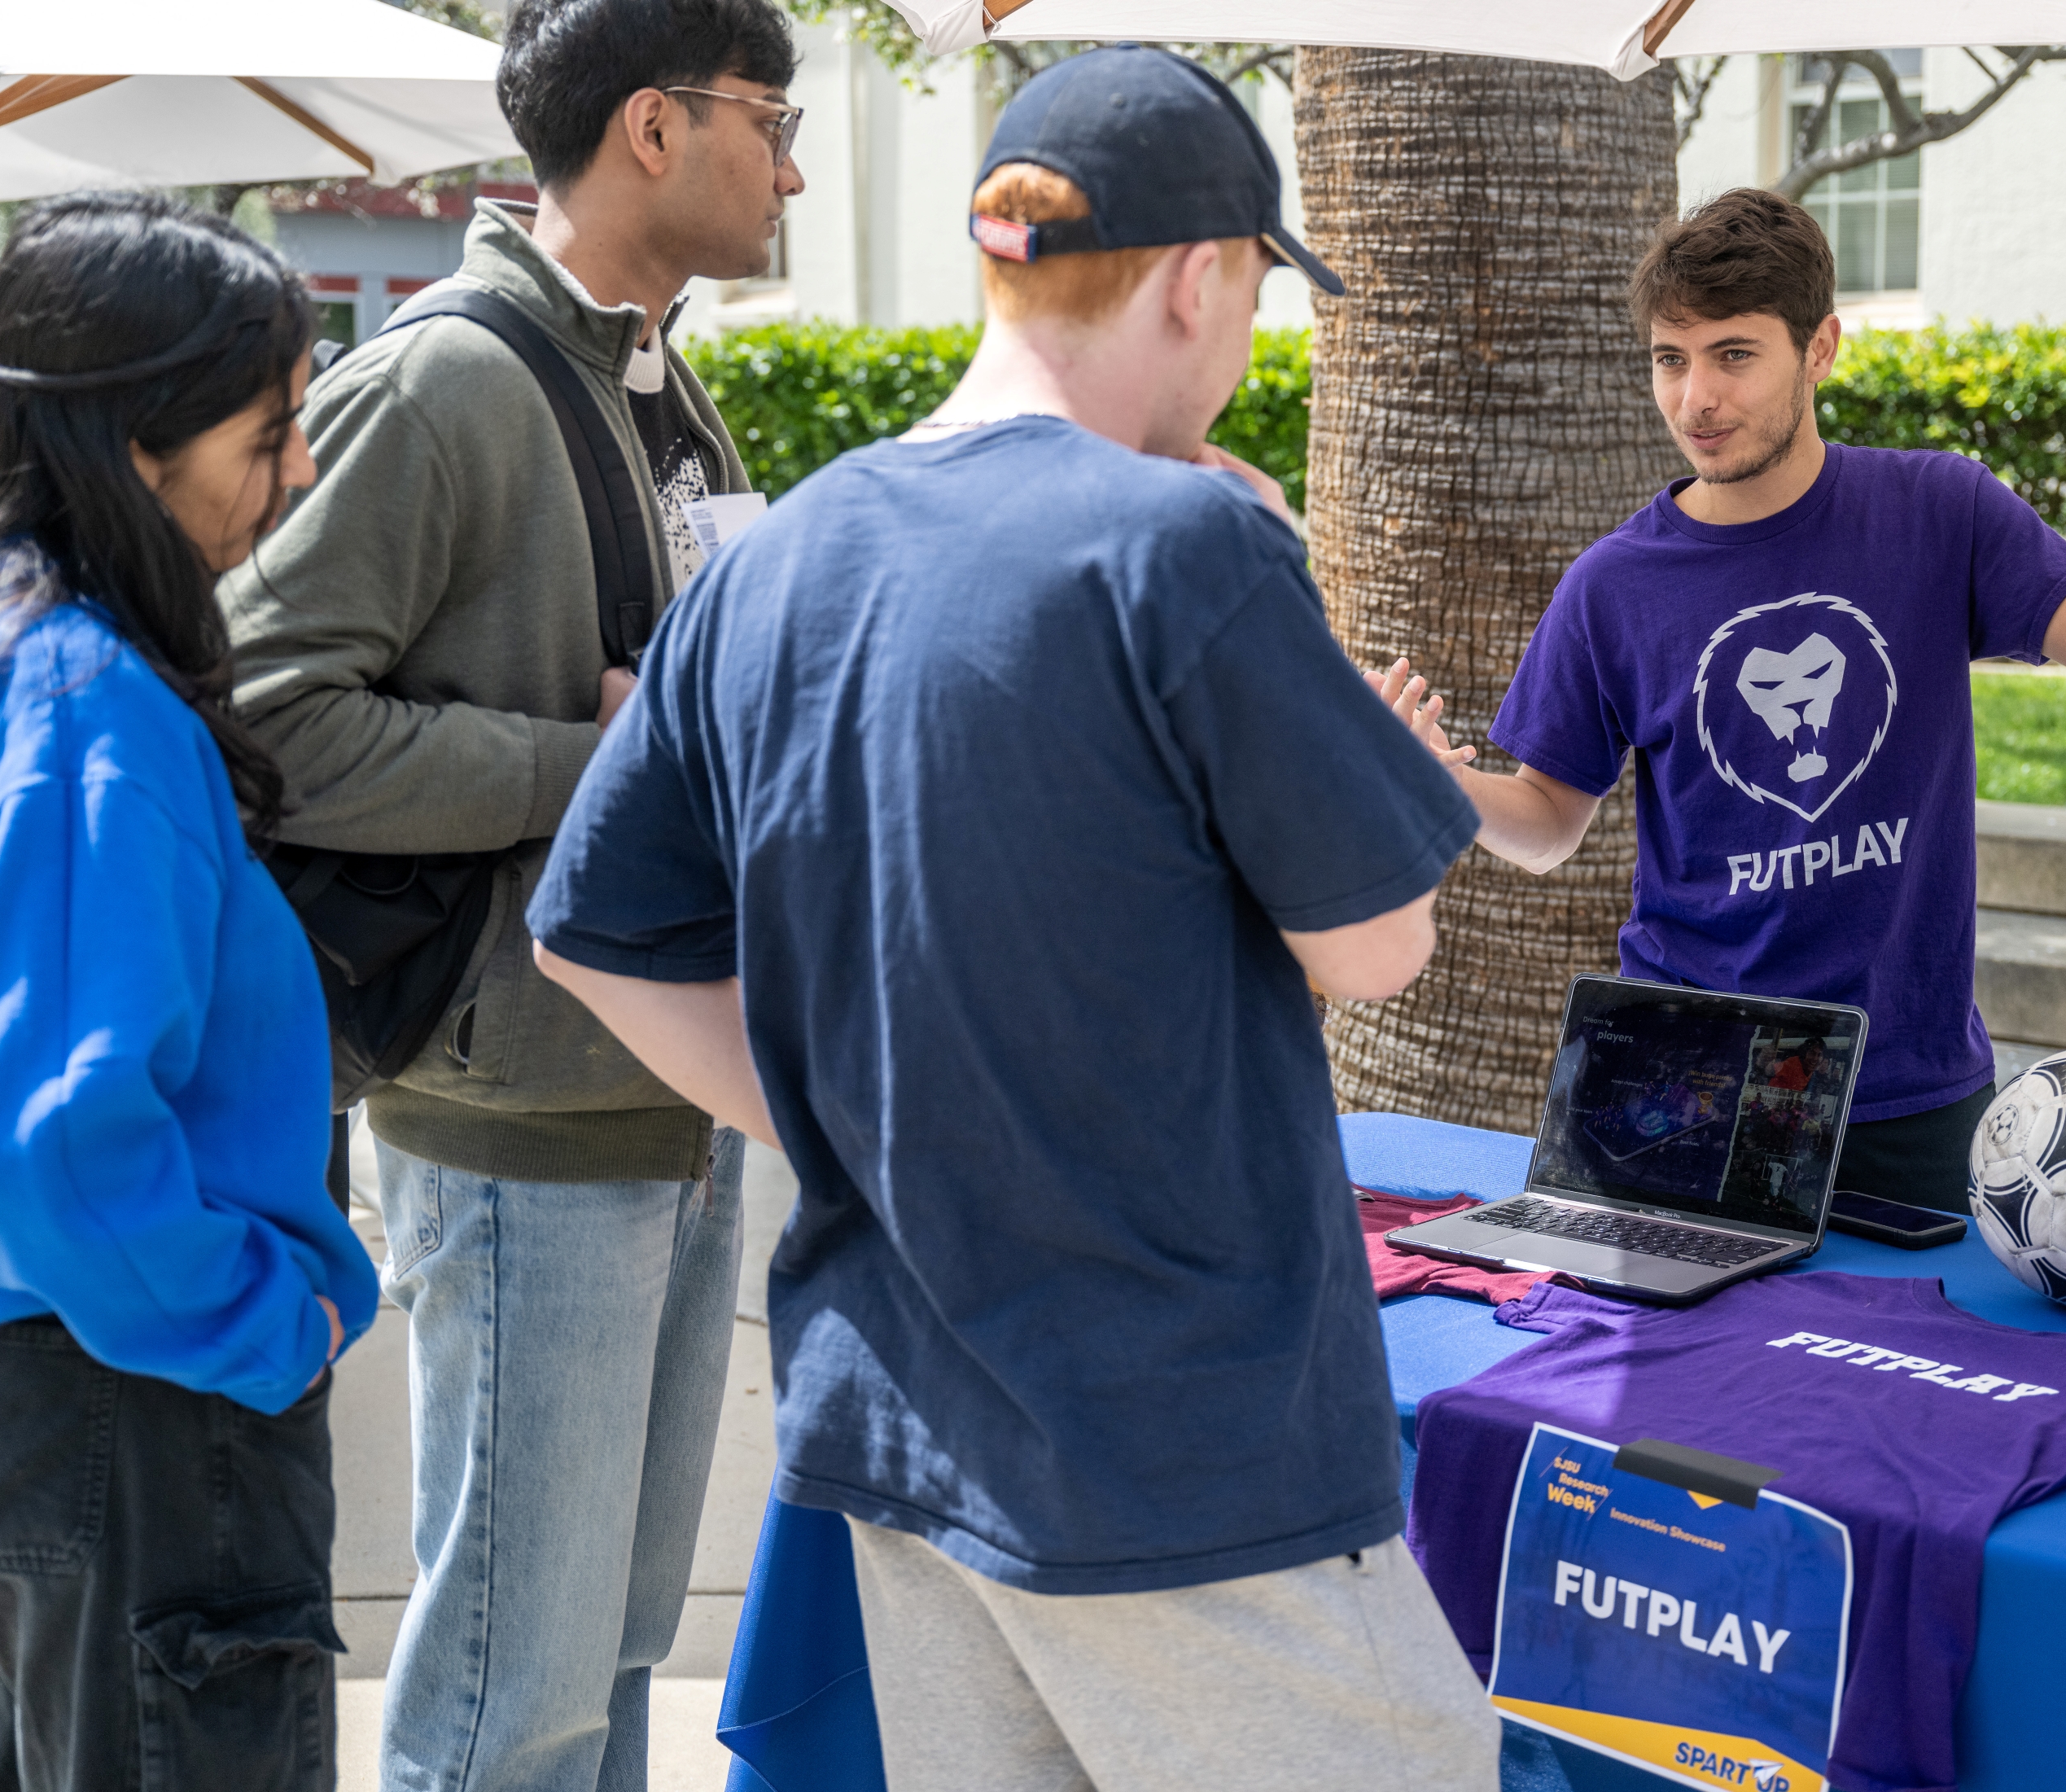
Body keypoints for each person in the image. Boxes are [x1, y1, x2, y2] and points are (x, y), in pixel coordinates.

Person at [527, 46, 1501, 1792]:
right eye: (1260, 292)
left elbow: (592, 933)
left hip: (907, 1411)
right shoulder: (1186, 545)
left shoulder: (775, 555)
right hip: (1187, 1437)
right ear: (1204, 275)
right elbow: (1379, 942)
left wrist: (852, 1114)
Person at [214, 1, 804, 1783]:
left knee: (609, 1658)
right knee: (510, 1689)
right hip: (515, 1117)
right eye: (770, 119)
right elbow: (264, 717)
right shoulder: (449, 375)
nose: (787, 163)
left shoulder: (653, 376)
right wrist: (591, 758)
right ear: (652, 125)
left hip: (662, 1102)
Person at [1380, 189, 2066, 1211]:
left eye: (1733, 354)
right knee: (1659, 1368)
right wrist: (1441, 785)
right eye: (1670, 358)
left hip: (1909, 1093)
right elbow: (1545, 826)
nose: (1694, 396)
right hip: (1684, 1084)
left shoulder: (1938, 511)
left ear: (1820, 348)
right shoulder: (1612, 585)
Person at [0, 191, 375, 1790]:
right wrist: (267, 1324)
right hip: (125, 1391)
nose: (297, 472)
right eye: (270, 431)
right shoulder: (84, 700)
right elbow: (53, 1143)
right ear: (139, 439)